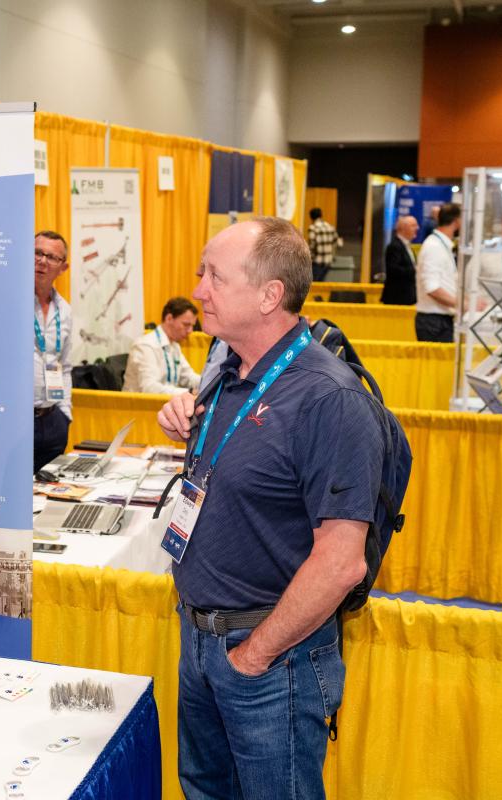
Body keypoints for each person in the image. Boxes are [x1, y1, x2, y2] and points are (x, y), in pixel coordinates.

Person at [156, 217, 382, 800]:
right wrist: (183, 418)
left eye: (215, 276)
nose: (198, 289)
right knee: (204, 790)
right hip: (200, 640)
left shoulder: (330, 399)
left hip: (271, 657)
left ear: (269, 295)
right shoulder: (228, 373)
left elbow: (342, 563)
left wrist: (253, 657)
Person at [32, 230, 72, 473]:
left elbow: (65, 366)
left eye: (51, 257)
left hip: (53, 418)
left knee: (49, 490)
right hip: (18, 419)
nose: (42, 261)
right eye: (37, 253)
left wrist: (65, 414)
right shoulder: (11, 302)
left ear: (63, 267)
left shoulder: (65, 310)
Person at [122, 296, 201, 395]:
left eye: (192, 326)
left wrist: (210, 383)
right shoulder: (146, 346)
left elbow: (188, 376)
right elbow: (150, 388)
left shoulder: (174, 346)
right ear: (169, 319)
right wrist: (189, 392)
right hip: (139, 404)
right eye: (186, 325)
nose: (190, 331)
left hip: (163, 402)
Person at [415, 202, 462, 342]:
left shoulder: (441, 245)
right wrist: (461, 304)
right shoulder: (434, 247)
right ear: (456, 221)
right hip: (434, 322)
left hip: (440, 320)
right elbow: (432, 288)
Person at [380, 214, 419, 305]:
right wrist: (416, 270)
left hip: (408, 297)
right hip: (397, 298)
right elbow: (393, 270)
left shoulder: (407, 246)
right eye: (413, 225)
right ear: (403, 228)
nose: (417, 228)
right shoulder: (395, 247)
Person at [306, 207, 343, 282]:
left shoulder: (313, 228)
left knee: (314, 283)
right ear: (321, 215)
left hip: (317, 262)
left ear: (311, 217)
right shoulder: (330, 227)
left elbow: (311, 247)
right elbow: (339, 244)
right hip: (328, 262)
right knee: (321, 283)